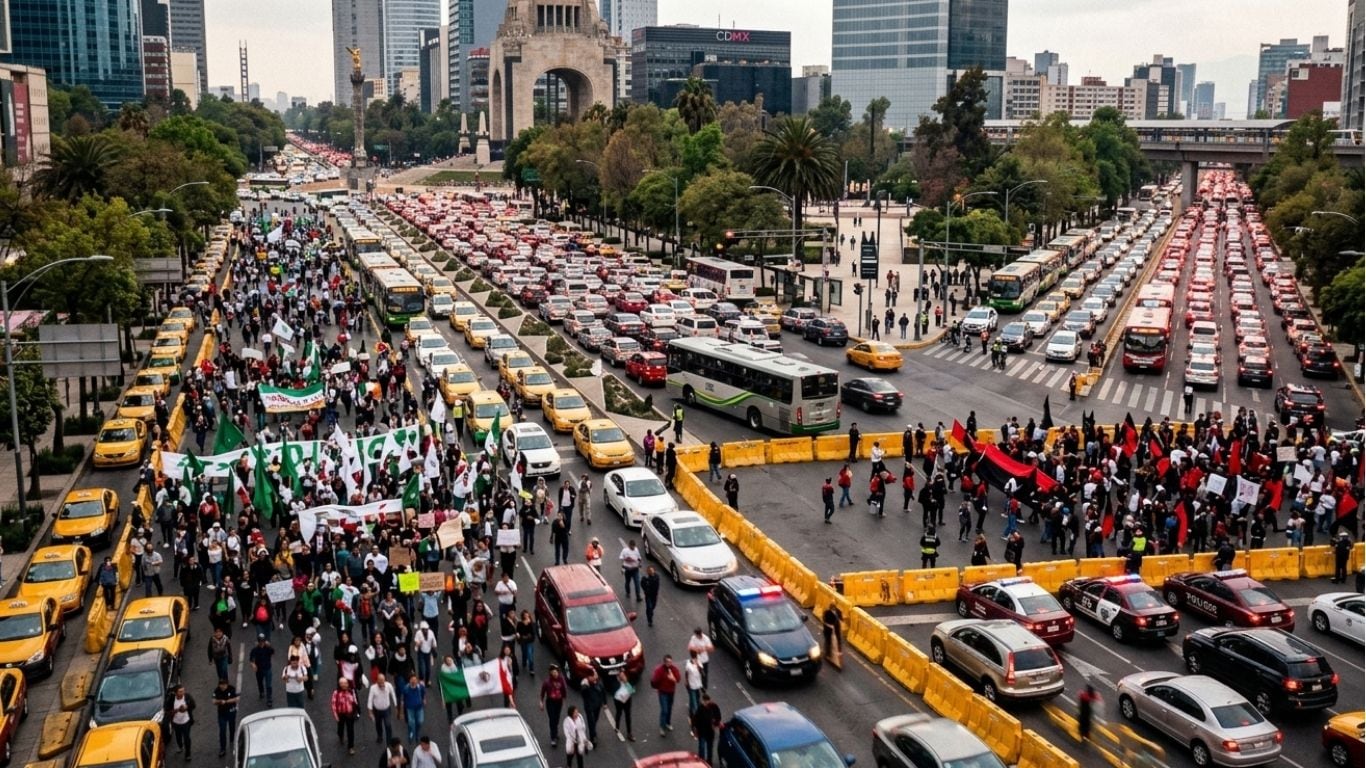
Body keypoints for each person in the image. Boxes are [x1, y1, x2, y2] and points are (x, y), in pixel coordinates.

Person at [650, 655, 680, 736]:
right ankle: (662, 727)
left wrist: (672, 678)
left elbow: (678, 679)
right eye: (667, 662)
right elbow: (654, 680)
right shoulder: (659, 670)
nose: (669, 663)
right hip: (663, 692)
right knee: (664, 710)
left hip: (671, 692)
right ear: (664, 662)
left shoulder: (674, 669)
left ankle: (667, 722)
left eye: (670, 662)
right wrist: (657, 686)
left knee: (669, 708)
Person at [539, 665, 568, 747]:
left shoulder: (561, 679)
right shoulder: (547, 682)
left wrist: (564, 697)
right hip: (550, 702)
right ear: (551, 673)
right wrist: (541, 702)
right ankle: (553, 738)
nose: (555, 674)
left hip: (559, 701)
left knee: (557, 718)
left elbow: (564, 689)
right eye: (554, 672)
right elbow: (542, 692)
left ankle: (555, 732)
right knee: (552, 719)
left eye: (556, 672)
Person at [691, 692, 722, 764]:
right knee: (701, 747)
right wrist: (694, 728)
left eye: (706, 701)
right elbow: (695, 718)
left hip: (710, 732)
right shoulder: (700, 708)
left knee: (709, 748)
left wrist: (714, 724)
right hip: (702, 731)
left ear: (709, 700)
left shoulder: (714, 707)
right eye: (703, 701)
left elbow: (718, 717)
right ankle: (701, 762)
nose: (704, 703)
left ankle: (709, 762)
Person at [331, 677, 361, 754]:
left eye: (345, 683)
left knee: (350, 730)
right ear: (339, 684)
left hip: (349, 714)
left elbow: (355, 701)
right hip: (340, 714)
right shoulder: (336, 693)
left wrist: (357, 712)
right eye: (341, 683)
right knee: (340, 728)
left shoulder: (351, 691)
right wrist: (336, 716)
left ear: (347, 684)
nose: (343, 685)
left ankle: (351, 747)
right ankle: (341, 736)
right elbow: (333, 705)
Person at [212, 677, 239, 758]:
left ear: (227, 684)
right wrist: (220, 701)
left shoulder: (232, 689)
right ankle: (222, 748)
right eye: (220, 684)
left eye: (223, 684)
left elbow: (237, 698)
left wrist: (227, 701)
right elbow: (213, 701)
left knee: (232, 727)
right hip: (222, 714)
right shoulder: (217, 690)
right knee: (222, 730)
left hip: (231, 712)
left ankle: (232, 738)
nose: (222, 686)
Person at [368, 672, 398, 744]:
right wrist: (370, 711)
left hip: (386, 710)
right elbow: (370, 699)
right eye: (380, 680)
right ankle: (380, 736)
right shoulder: (373, 688)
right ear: (377, 680)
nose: (381, 682)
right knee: (378, 724)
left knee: (388, 725)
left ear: (385, 680)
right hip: (377, 710)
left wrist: (396, 706)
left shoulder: (388, 686)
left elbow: (393, 695)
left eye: (383, 680)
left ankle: (389, 742)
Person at [579, 668, 606, 745]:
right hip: (589, 706)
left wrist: (604, 703)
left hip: (597, 705)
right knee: (591, 721)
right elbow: (583, 692)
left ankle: (593, 732)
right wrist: (586, 685)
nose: (595, 677)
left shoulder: (598, 681)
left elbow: (603, 691)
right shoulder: (585, 684)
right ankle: (593, 737)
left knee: (595, 720)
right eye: (593, 675)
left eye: (595, 674)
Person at [249, 635, 275, 706]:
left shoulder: (267, 648)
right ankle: (261, 692)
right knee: (260, 682)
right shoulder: (255, 649)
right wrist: (253, 664)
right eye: (260, 641)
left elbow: (273, 652)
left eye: (263, 641)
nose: (262, 642)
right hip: (259, 669)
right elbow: (251, 659)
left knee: (268, 684)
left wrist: (270, 646)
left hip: (267, 668)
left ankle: (269, 699)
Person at [402, 672, 427, 742]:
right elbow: (403, 699)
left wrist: (424, 699)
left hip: (419, 707)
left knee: (420, 721)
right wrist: (402, 710)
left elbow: (423, 693)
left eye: (415, 680)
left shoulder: (420, 687)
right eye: (412, 680)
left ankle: (417, 732)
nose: (414, 681)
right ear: (409, 680)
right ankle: (411, 733)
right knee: (411, 722)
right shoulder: (406, 688)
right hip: (410, 708)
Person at [612, 669, 635, 741]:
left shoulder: (628, 681)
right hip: (618, 701)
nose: (623, 676)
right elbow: (612, 691)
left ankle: (629, 733)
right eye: (621, 675)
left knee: (628, 715)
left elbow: (632, 690)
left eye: (623, 675)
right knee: (619, 713)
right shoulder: (615, 682)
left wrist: (626, 682)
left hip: (627, 700)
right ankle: (617, 726)